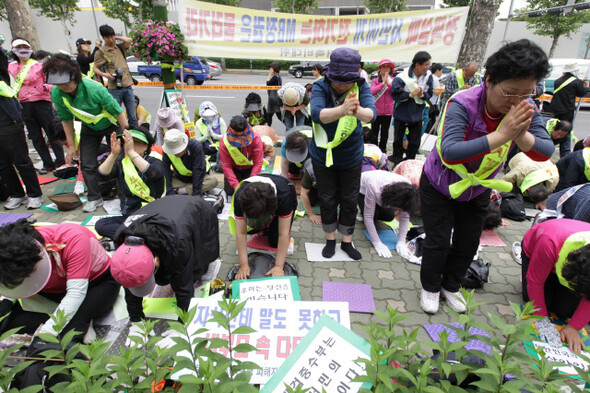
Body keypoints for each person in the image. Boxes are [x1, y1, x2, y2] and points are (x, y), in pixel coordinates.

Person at [419, 39, 554, 315]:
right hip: (440, 186)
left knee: (469, 242)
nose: (517, 101)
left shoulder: (525, 109)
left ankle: (451, 285)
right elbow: (451, 150)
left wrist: (519, 133)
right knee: (438, 242)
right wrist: (502, 135)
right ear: (490, 80)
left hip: (478, 189)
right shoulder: (463, 103)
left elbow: (545, 150)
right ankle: (430, 287)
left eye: (527, 94)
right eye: (510, 92)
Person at [110, 195, 220, 338]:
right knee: (164, 276)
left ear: (156, 260)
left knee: (195, 272)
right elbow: (129, 280)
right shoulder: (122, 241)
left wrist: (182, 327)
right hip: (164, 211)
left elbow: (184, 290)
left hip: (197, 211)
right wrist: (136, 320)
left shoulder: (177, 243)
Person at [0, 220, 119, 342]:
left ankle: (81, 320)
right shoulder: (8, 251)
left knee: (70, 333)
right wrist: (7, 300)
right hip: (49, 291)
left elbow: (75, 293)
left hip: (94, 284)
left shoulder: (74, 238)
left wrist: (47, 333)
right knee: (11, 322)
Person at [310, 47, 377, 260]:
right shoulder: (321, 86)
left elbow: (371, 114)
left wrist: (356, 110)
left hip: (351, 156)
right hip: (324, 155)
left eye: (346, 81)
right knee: (327, 198)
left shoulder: (360, 86)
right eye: (337, 80)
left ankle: (347, 241)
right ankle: (330, 239)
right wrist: (342, 110)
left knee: (349, 199)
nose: (341, 85)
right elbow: (316, 114)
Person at [43, 53, 129, 212]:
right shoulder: (57, 93)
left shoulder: (93, 88)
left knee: (122, 158)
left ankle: (124, 191)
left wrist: (127, 133)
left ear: (75, 76)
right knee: (87, 163)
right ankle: (95, 198)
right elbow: (66, 120)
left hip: (111, 124)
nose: (64, 86)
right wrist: (71, 146)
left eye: (67, 82)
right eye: (59, 83)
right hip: (89, 127)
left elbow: (117, 111)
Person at [521, 219, 590, 353]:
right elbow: (535, 281)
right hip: (539, 250)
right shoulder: (549, 242)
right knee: (534, 299)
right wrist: (541, 318)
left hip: (568, 262)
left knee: (564, 311)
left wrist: (574, 327)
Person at [94, 128, 165, 239]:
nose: (130, 145)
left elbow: (154, 174)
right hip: (130, 216)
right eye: (127, 142)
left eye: (135, 142)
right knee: (101, 225)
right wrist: (113, 154)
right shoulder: (123, 163)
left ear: (146, 146)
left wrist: (132, 153)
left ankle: (132, 237)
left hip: (152, 215)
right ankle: (136, 237)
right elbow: (100, 176)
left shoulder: (155, 160)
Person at [9, 37, 65, 174]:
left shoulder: (39, 66)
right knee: (35, 136)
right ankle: (47, 163)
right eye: (19, 47)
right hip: (24, 104)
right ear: (14, 51)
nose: (23, 50)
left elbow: (52, 81)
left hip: (41, 102)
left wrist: (45, 88)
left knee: (52, 132)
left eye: (25, 47)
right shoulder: (11, 67)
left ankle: (61, 161)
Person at [231, 174, 297, 280]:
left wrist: (279, 267)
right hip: (259, 200)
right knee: (253, 230)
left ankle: (270, 225)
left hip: (285, 189)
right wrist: (244, 265)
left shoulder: (284, 197)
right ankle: (264, 228)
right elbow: (241, 232)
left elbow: (283, 234)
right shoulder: (241, 197)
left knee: (275, 241)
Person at [0, 49, 43, 210]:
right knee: (2, 164)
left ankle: (34, 195)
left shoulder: (2, 73)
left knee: (21, 161)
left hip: (9, 122)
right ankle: (17, 194)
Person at [359, 170, 419, 260]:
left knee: (389, 216)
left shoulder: (407, 192)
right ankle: (359, 207)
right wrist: (377, 243)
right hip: (362, 189)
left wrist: (401, 241)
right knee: (373, 215)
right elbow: (368, 217)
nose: (398, 211)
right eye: (397, 208)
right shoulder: (373, 187)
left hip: (384, 193)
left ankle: (375, 207)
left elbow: (405, 216)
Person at [390, 51, 434, 166]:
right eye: (426, 64)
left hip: (417, 114)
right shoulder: (402, 77)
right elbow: (394, 95)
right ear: (417, 65)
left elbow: (430, 92)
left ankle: (409, 164)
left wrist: (422, 96)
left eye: (428, 64)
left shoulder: (428, 76)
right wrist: (409, 95)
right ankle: (397, 164)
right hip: (402, 114)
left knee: (414, 143)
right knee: (398, 142)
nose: (428, 67)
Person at [93, 24, 138, 129]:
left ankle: (136, 136)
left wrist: (116, 37)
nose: (111, 39)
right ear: (103, 37)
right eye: (108, 37)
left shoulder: (119, 47)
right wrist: (106, 75)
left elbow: (129, 40)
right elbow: (95, 68)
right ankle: (119, 136)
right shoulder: (101, 52)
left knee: (132, 116)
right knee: (115, 115)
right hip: (114, 88)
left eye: (112, 36)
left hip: (127, 85)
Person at [162, 128, 217, 196]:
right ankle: (186, 189)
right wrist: (169, 192)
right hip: (180, 179)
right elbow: (165, 170)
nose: (175, 154)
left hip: (200, 178)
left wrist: (195, 193)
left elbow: (198, 171)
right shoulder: (166, 151)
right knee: (161, 182)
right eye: (173, 151)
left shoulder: (195, 146)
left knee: (213, 181)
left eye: (178, 151)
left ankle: (184, 190)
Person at [220, 115, 264, 196]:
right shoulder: (224, 141)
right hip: (234, 168)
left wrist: (250, 182)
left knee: (252, 192)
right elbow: (226, 165)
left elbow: (258, 163)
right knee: (230, 192)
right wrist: (235, 185)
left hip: (249, 168)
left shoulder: (256, 139)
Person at [370, 59, 395, 153]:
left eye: (387, 67)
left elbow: (395, 91)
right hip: (376, 111)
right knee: (374, 132)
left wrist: (388, 83)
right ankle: (373, 150)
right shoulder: (375, 81)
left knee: (385, 132)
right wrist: (382, 84)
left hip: (388, 112)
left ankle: (383, 150)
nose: (385, 69)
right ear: (380, 69)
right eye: (383, 67)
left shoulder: (393, 81)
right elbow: (372, 92)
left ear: (391, 69)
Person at [424, 63, 444, 135]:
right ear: (438, 70)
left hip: (430, 102)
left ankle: (430, 133)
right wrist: (442, 88)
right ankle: (430, 134)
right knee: (431, 121)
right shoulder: (435, 79)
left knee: (430, 120)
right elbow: (437, 92)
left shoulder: (431, 77)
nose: (441, 73)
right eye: (441, 71)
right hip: (432, 103)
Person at [265, 62, 282, 126]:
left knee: (278, 115)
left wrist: (270, 74)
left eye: (271, 68)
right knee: (269, 115)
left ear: (274, 69)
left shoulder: (275, 77)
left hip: (273, 99)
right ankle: (268, 128)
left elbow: (268, 84)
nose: (270, 69)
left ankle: (289, 126)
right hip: (274, 98)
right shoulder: (278, 76)